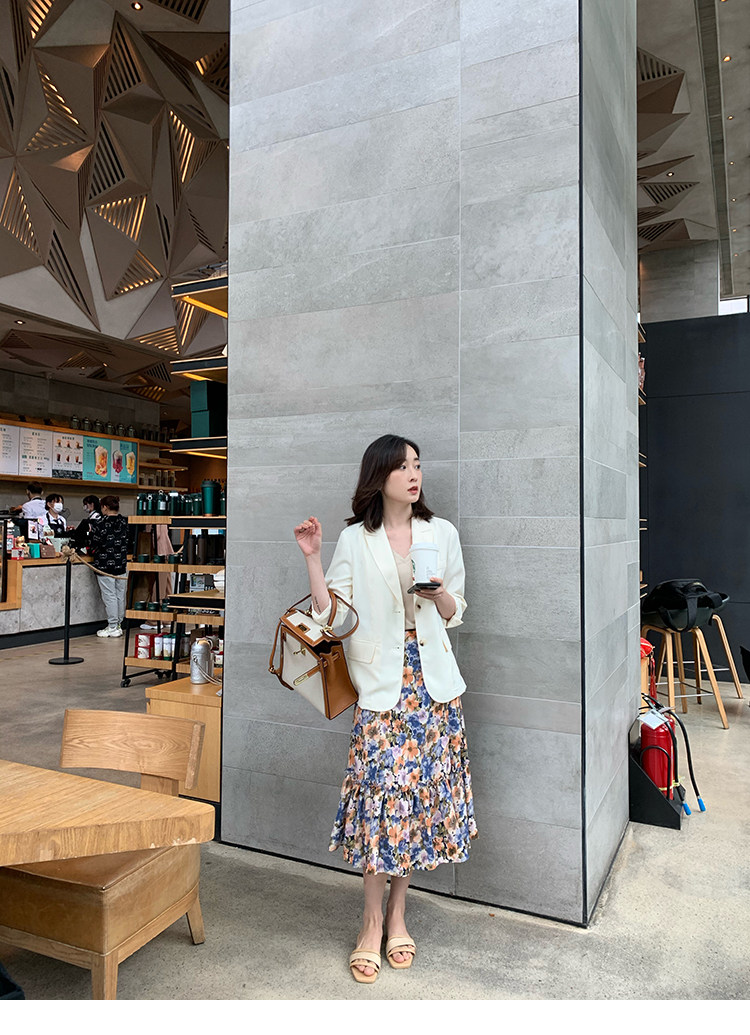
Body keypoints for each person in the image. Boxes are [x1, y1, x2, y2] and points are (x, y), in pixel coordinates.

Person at [294, 434, 477, 985]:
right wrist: (313, 559)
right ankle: (370, 921)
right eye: (402, 467)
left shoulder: (442, 533)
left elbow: (457, 610)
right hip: (381, 688)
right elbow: (334, 618)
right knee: (380, 803)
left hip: (433, 687)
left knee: (413, 805)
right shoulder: (357, 538)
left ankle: (398, 915)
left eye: (417, 464)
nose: (413, 474)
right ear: (380, 476)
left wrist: (438, 594)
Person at [89, 495, 128, 638]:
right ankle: (119, 624)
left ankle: (112, 626)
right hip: (121, 564)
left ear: (105, 507)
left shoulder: (100, 524)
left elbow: (93, 544)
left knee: (109, 596)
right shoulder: (125, 522)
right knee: (120, 595)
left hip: (105, 565)